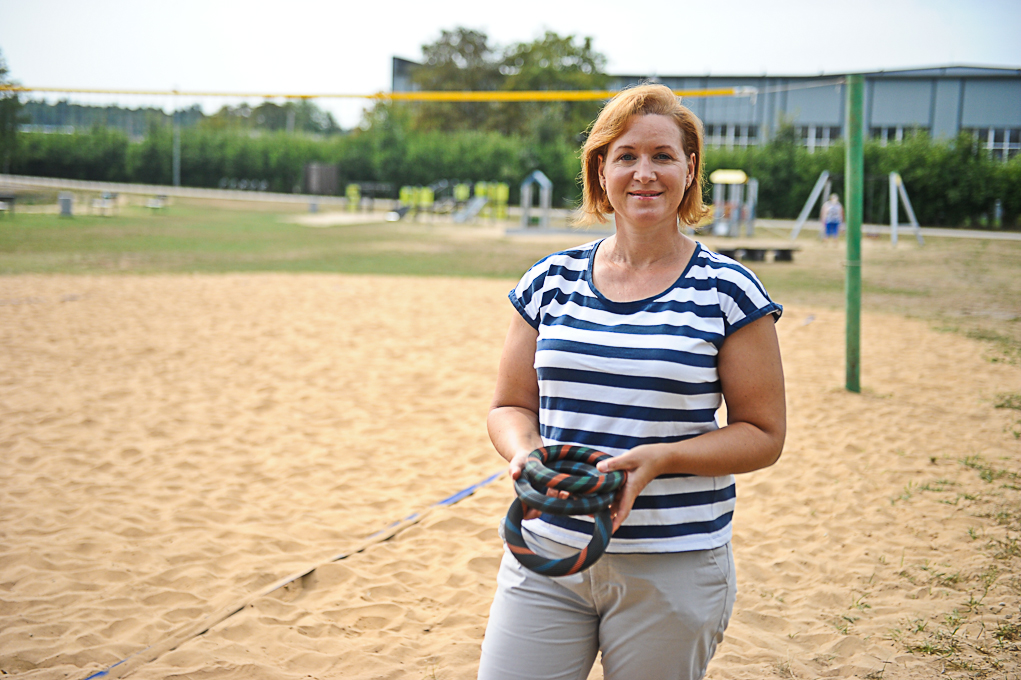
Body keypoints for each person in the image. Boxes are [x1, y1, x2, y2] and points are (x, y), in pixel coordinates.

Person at [478, 84, 786, 680]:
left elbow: (763, 434)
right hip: (548, 547)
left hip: (673, 563)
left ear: (690, 167)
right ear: (601, 168)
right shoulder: (549, 280)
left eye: (663, 156)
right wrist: (525, 454)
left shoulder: (729, 291)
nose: (644, 173)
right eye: (626, 156)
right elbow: (510, 406)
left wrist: (659, 460)